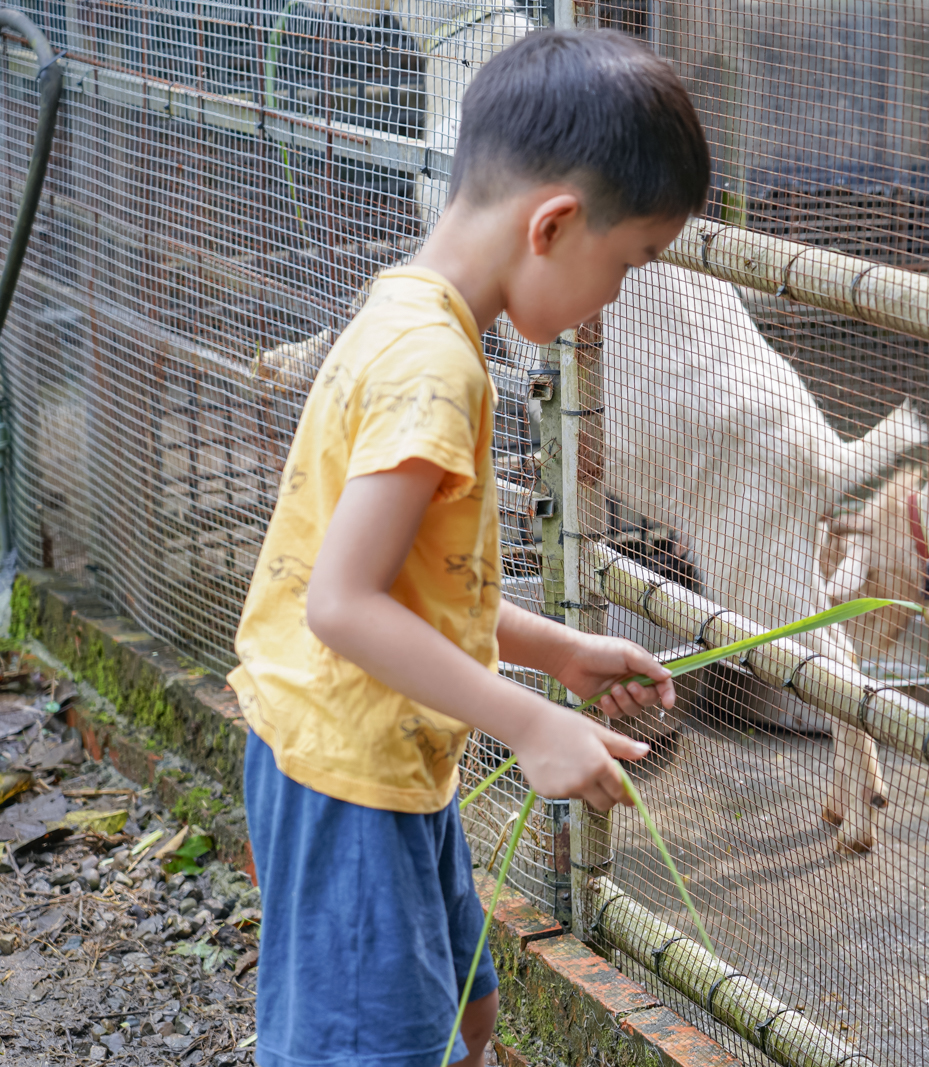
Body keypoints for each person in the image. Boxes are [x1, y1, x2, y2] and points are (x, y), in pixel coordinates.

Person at [228, 29, 710, 1067]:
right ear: (554, 224)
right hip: (345, 767)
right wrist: (530, 722)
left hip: (385, 752)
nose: (612, 302)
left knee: (466, 1012)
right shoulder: (431, 367)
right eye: (624, 266)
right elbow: (342, 604)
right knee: (370, 1047)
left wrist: (557, 654)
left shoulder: (412, 315)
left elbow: (414, 585)